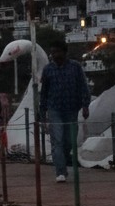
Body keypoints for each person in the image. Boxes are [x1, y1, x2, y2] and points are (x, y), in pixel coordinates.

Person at [38, 40, 91, 182]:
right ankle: (60, 172)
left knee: (69, 141)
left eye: (57, 52)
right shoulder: (48, 69)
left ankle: (64, 161)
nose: (54, 55)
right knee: (57, 140)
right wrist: (42, 112)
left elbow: (83, 86)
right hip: (54, 109)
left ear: (64, 52)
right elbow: (44, 92)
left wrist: (85, 105)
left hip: (71, 108)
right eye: (52, 52)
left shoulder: (75, 67)